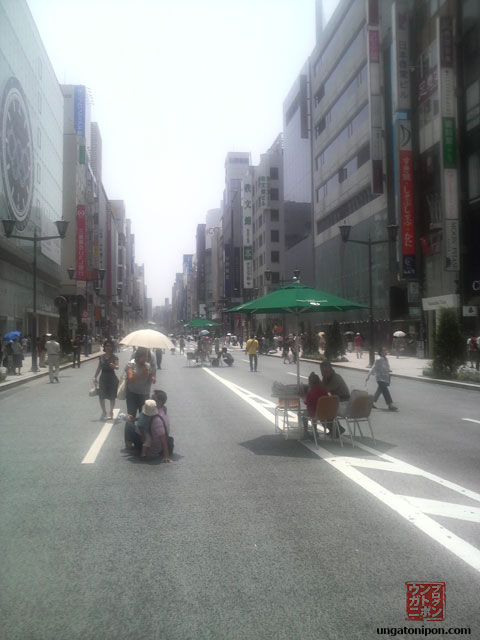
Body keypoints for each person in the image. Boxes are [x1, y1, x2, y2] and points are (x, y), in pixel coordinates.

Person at [124, 347, 154, 418]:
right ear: (138, 356)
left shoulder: (148, 365)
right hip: (132, 393)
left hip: (144, 394)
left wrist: (151, 377)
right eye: (144, 356)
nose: (146, 358)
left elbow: (149, 380)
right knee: (131, 416)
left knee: (143, 416)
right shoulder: (131, 364)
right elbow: (131, 378)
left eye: (147, 356)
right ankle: (131, 429)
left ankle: (141, 429)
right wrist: (142, 374)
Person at [93, 340, 119, 420]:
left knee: (112, 396)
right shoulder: (101, 357)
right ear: (104, 347)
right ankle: (104, 411)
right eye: (107, 346)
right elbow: (99, 368)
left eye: (110, 346)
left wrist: (114, 366)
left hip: (112, 377)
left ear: (112, 347)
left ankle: (111, 411)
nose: (108, 347)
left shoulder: (115, 357)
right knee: (101, 396)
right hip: (103, 377)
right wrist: (95, 377)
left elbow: (117, 367)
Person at [366, 347, 398, 411]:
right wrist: (368, 376)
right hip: (380, 378)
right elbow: (373, 368)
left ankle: (371, 402)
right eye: (384, 350)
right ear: (380, 352)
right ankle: (390, 405)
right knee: (385, 391)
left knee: (379, 390)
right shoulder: (378, 359)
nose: (386, 351)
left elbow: (386, 367)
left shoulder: (385, 359)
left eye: (386, 350)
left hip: (385, 378)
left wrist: (389, 370)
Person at [301, 372, 328, 439]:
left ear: (310, 383)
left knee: (304, 414)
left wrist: (303, 396)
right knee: (313, 413)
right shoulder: (324, 390)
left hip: (314, 413)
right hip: (325, 413)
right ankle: (315, 431)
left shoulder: (311, 392)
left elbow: (307, 402)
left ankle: (306, 433)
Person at [151, 389, 173, 463]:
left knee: (129, 427)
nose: (150, 400)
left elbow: (163, 437)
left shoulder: (157, 419)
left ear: (159, 402)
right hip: (156, 440)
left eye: (152, 399)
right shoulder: (163, 409)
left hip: (154, 447)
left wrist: (166, 456)